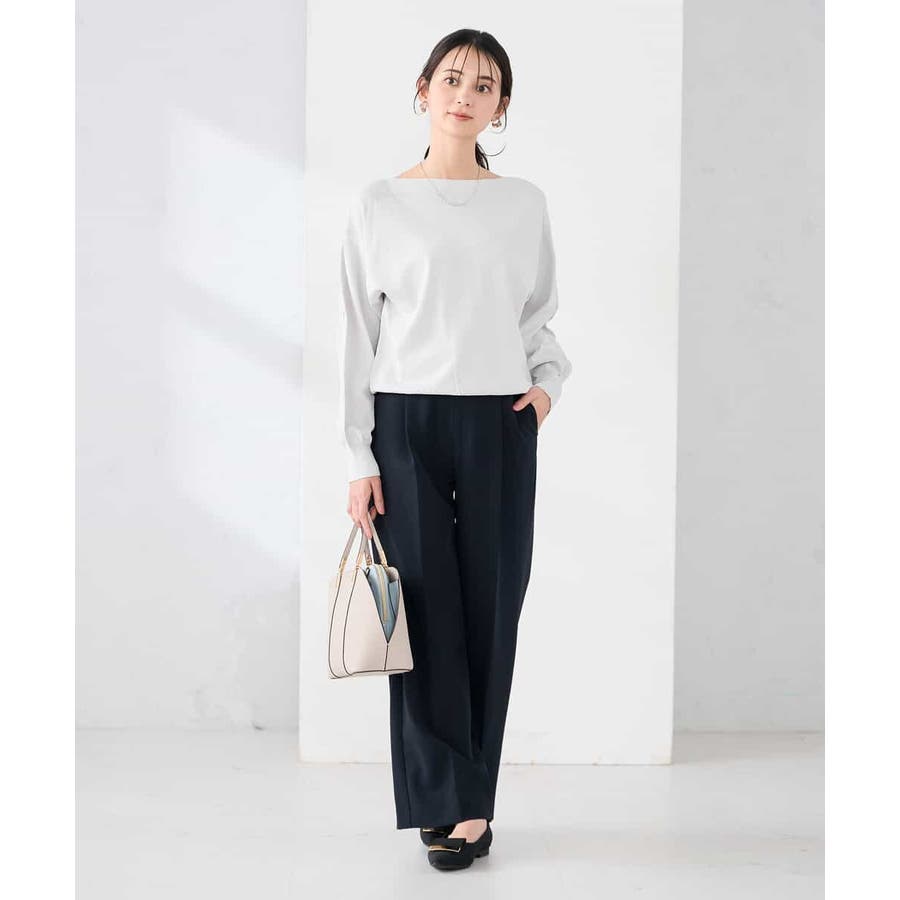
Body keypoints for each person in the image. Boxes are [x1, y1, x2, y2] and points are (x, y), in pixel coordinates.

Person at [337, 29, 573, 871]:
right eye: (451, 79)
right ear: (423, 89)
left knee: (492, 609)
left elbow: (537, 318)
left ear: (501, 105)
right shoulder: (380, 203)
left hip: (500, 424)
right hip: (407, 423)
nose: (465, 95)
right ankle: (448, 801)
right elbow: (357, 336)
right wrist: (360, 457)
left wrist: (546, 388)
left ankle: (473, 802)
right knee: (427, 611)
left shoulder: (523, 205)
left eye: (484, 84)